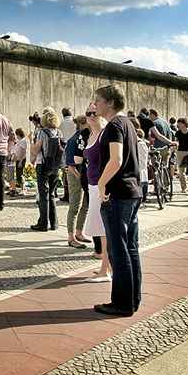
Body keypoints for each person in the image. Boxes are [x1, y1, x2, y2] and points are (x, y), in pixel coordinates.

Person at [94, 85, 143, 317]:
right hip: (131, 192)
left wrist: (101, 183)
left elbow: (116, 159)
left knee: (118, 249)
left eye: (99, 100)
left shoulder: (114, 126)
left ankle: (122, 303)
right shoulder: (128, 124)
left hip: (118, 193)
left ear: (111, 103)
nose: (96, 104)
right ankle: (132, 299)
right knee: (130, 248)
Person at [82, 103, 109, 275]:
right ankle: (107, 267)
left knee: (103, 229)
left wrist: (102, 185)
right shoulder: (91, 134)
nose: (91, 116)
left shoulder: (104, 134)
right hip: (92, 185)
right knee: (98, 228)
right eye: (88, 113)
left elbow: (113, 160)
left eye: (94, 113)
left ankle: (105, 269)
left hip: (101, 186)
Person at [30, 107, 62, 231]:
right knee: (52, 194)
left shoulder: (42, 132)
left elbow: (36, 150)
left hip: (43, 165)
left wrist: (31, 142)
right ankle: (54, 223)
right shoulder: (58, 132)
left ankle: (43, 223)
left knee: (43, 195)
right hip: (55, 166)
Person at [64, 116, 91, 245]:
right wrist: (82, 177)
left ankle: (79, 232)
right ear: (83, 124)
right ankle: (71, 236)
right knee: (75, 206)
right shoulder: (74, 140)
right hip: (76, 174)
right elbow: (71, 165)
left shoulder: (88, 137)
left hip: (85, 175)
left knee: (85, 205)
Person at [59, 107, 76, 202]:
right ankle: (73, 194)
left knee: (66, 171)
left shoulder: (61, 124)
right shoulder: (75, 122)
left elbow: (60, 137)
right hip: (75, 147)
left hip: (65, 147)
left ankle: (67, 194)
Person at [173, 119, 188, 193]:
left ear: (184, 124)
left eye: (179, 123)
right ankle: (183, 188)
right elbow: (176, 141)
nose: (178, 125)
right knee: (181, 171)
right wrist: (174, 148)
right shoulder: (178, 132)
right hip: (180, 152)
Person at [8, 128, 29, 196]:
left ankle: (23, 189)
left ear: (19, 134)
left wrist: (20, 161)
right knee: (18, 175)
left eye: (16, 134)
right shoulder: (19, 141)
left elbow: (23, 152)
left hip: (21, 160)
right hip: (18, 160)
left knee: (20, 175)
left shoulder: (23, 141)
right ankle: (22, 189)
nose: (16, 136)